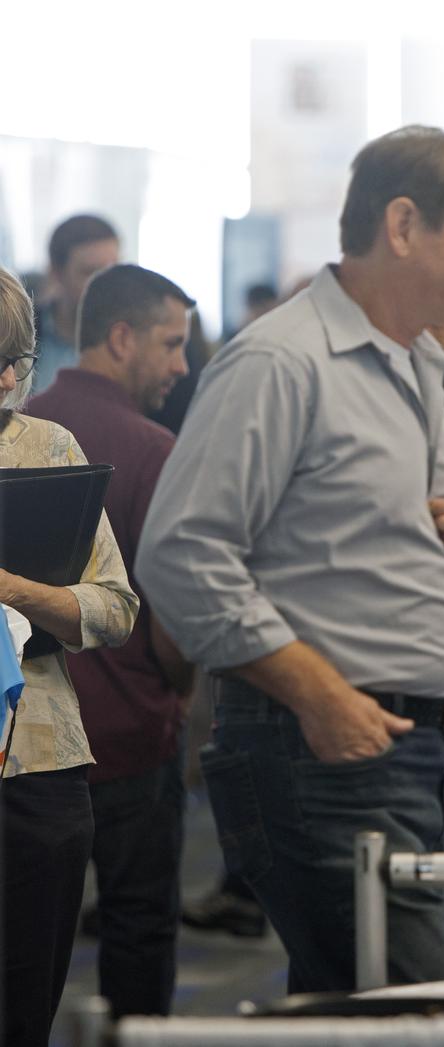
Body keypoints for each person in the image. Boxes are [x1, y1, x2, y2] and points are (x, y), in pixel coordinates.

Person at [136, 125, 444, 993]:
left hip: (408, 749)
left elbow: (427, 529)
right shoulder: (281, 361)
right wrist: (317, 691)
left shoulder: (420, 361)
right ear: (400, 226)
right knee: (424, 1011)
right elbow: (181, 552)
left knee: (353, 1008)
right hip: (319, 746)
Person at [24, 264, 196, 1019]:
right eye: (172, 344)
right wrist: (179, 691)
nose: (182, 366)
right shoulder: (152, 447)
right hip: (129, 736)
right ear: (121, 338)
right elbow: (172, 611)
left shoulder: (31, 424)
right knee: (138, 934)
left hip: (32, 745)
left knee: (27, 957)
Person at [0, 265, 139, 1047]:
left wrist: (15, 589)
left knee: (24, 1007)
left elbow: (115, 607)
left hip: (36, 765)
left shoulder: (47, 447)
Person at [32, 214, 121, 393]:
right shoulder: (23, 332)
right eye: (91, 272)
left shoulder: (130, 338)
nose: (107, 284)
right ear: (56, 273)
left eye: (114, 270)